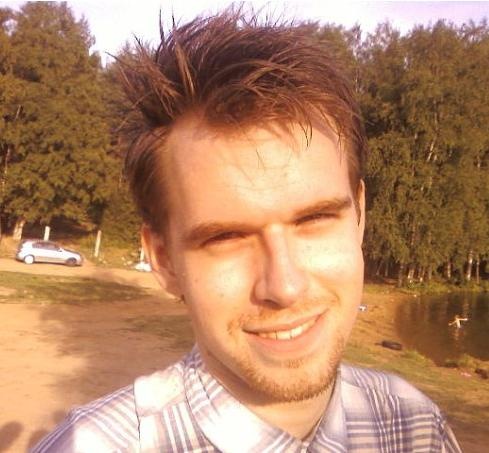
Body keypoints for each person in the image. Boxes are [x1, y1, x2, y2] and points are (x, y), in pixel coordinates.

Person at [33, 9, 461, 453]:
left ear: (359, 216)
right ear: (163, 260)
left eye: (314, 219)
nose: (285, 287)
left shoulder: (415, 426)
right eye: (226, 238)